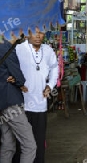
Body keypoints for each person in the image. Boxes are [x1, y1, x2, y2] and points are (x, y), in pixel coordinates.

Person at [16, 29, 59, 163]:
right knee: (21, 143)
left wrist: (50, 86)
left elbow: (54, 67)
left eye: (41, 33)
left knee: (39, 141)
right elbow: (9, 68)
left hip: (40, 105)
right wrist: (17, 82)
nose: (38, 36)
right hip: (22, 105)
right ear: (27, 33)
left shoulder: (48, 50)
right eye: (35, 33)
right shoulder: (19, 49)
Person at [0, 38, 37, 163]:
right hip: (11, 103)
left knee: (8, 144)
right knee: (29, 145)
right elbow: (19, 77)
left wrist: (15, 79)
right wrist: (18, 81)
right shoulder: (7, 48)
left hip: (2, 104)